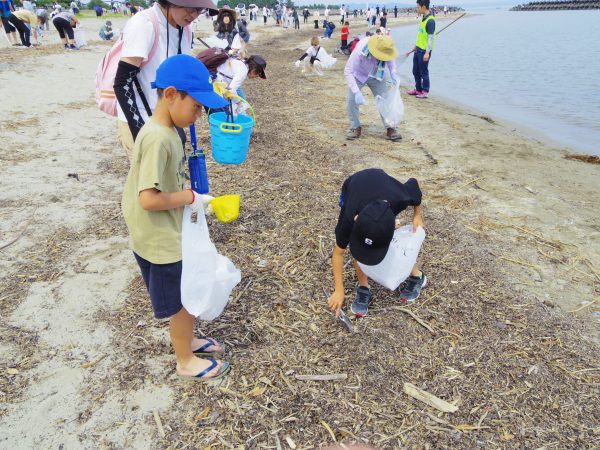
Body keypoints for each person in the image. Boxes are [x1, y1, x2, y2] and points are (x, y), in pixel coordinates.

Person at [122, 54, 230, 381]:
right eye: (196, 106)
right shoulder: (158, 137)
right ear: (171, 94)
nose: (198, 114)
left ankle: (189, 341)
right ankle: (184, 360)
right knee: (183, 300)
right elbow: (148, 199)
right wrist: (189, 197)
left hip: (163, 228)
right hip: (158, 237)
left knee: (188, 289)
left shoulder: (167, 130)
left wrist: (189, 200)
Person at [114, 0, 218, 161]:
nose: (194, 15)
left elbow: (180, 77)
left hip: (168, 119)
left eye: (199, 10)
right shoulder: (144, 24)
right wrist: (140, 133)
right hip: (141, 117)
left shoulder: (186, 29)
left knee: (172, 181)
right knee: (150, 185)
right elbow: (122, 83)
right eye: (190, 9)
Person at [327, 169, 426, 317]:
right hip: (354, 186)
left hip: (382, 185)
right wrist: (339, 290)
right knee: (360, 244)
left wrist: (417, 215)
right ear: (356, 220)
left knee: (391, 244)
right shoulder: (348, 217)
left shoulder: (400, 198)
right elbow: (338, 253)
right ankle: (363, 287)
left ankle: (418, 276)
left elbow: (414, 184)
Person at [344, 34, 401, 141]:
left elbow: (391, 60)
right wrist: (356, 92)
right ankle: (355, 127)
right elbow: (348, 70)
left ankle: (391, 127)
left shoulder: (386, 46)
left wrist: (393, 73)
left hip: (377, 74)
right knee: (351, 100)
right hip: (359, 74)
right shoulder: (360, 49)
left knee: (385, 99)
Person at [406, 0, 435, 99]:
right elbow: (421, 36)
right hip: (418, 49)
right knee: (415, 71)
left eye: (418, 7)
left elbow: (430, 38)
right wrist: (413, 49)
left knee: (424, 72)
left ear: (423, 7)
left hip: (424, 51)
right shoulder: (423, 18)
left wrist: (427, 53)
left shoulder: (430, 20)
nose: (417, 9)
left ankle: (425, 91)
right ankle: (418, 89)